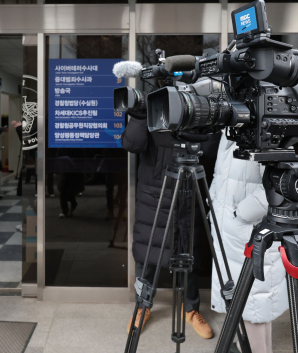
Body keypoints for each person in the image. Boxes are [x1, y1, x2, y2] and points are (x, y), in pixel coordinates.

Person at [122, 114, 220, 339]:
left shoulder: (199, 103)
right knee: (147, 254)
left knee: (189, 252)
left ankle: (191, 309)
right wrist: (140, 113)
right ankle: (142, 306)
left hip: (189, 190)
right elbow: (132, 143)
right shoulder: (154, 105)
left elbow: (212, 151)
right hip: (153, 195)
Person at [208, 133, 288, 353]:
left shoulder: (268, 126)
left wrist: (240, 213)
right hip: (230, 229)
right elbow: (221, 174)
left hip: (251, 230)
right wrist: (214, 203)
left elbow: (277, 185)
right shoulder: (231, 128)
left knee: (255, 307)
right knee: (238, 302)